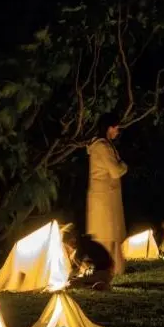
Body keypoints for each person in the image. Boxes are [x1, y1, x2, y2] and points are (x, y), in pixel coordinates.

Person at [86, 112, 128, 276]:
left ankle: (115, 269)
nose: (117, 130)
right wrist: (124, 165)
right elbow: (116, 171)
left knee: (111, 234)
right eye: (116, 127)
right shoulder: (102, 147)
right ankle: (109, 269)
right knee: (108, 234)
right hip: (104, 197)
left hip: (105, 196)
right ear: (109, 128)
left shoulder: (103, 145)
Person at [62, 224, 114, 290]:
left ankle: (99, 285)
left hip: (101, 273)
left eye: (68, 242)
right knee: (74, 280)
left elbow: (74, 270)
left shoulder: (83, 247)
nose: (69, 246)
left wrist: (68, 279)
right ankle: (97, 284)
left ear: (73, 238)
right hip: (101, 273)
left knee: (71, 283)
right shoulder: (86, 244)